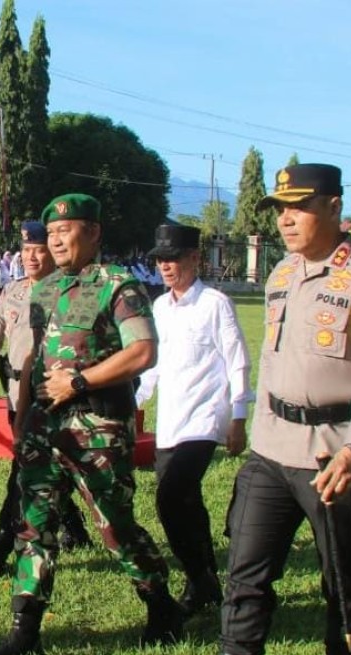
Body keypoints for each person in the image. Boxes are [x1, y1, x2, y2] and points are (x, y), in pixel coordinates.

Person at [217, 164, 351, 655]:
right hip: (271, 451)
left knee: (343, 583)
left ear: (332, 207)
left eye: (299, 206)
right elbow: (275, 361)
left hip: (333, 454)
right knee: (244, 576)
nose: (286, 219)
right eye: (280, 209)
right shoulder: (282, 273)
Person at [0, 194, 183, 655]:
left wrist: (79, 381)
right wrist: (23, 417)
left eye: (65, 232)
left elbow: (143, 352)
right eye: (50, 235)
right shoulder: (44, 290)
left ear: (93, 233)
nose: (55, 241)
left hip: (99, 426)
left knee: (115, 526)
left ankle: (161, 605)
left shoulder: (119, 286)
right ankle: (24, 630)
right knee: (34, 525)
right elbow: (33, 359)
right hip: (44, 427)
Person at [0, 221, 91, 578]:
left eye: (39, 249)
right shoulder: (12, 291)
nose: (31, 256)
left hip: (50, 396)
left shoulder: (64, 293)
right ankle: (75, 529)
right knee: (45, 466)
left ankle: (1, 544)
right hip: (16, 394)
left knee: (23, 473)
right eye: (26, 250)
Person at [135, 222, 253, 621]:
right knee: (184, 505)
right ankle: (205, 580)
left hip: (205, 420)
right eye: (160, 260)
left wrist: (238, 417)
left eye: (173, 258)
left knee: (170, 496)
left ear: (194, 259)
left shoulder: (215, 304)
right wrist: (136, 403)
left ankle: (197, 577)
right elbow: (152, 364)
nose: (166, 266)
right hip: (171, 420)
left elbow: (237, 360)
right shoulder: (159, 307)